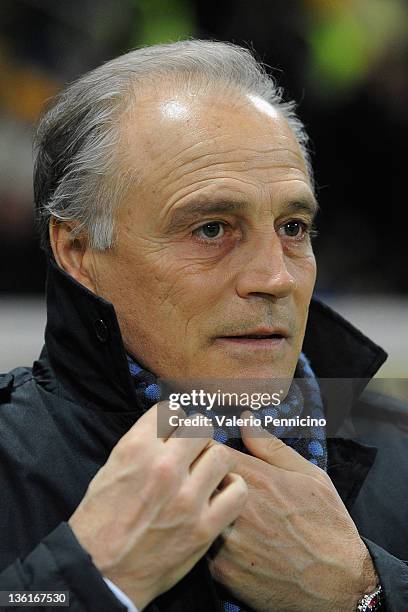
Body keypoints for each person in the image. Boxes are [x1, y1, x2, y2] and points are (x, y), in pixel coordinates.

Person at [0, 39, 407, 612]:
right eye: (212, 229)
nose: (275, 278)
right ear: (78, 250)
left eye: (293, 227)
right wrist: (96, 576)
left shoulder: (399, 444)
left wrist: (364, 590)